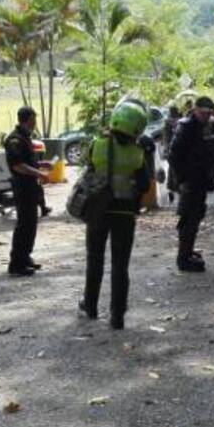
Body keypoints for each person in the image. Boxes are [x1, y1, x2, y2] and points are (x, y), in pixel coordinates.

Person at [79, 101, 151, 330]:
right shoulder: (137, 154)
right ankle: (117, 316)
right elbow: (144, 185)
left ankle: (90, 306)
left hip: (98, 211)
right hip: (124, 213)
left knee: (95, 260)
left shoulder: (96, 145)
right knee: (120, 265)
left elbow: (88, 170)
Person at [169, 95, 214, 272]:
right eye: (203, 113)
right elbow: (174, 155)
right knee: (189, 219)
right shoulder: (187, 127)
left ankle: (187, 252)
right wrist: (182, 180)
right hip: (190, 181)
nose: (206, 116)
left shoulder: (203, 126)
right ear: (196, 110)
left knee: (196, 216)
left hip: (199, 180)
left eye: (208, 113)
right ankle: (183, 258)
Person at [4, 107, 48, 276]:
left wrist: (43, 165)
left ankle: (25, 256)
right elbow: (17, 165)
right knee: (24, 224)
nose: (35, 122)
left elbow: (28, 161)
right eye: (33, 119)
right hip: (22, 186)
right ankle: (16, 263)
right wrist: (39, 174)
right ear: (27, 119)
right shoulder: (14, 140)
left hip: (31, 186)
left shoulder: (25, 137)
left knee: (31, 224)